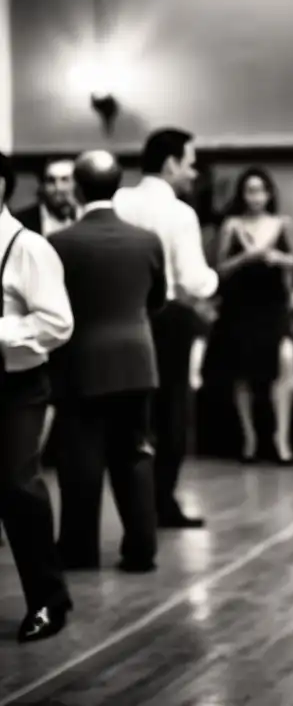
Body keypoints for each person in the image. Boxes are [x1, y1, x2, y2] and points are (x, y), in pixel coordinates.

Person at [49, 151, 165, 573]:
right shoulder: (146, 240)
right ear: (117, 186)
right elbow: (158, 299)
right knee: (135, 455)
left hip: (81, 364)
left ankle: (79, 551)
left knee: (81, 460)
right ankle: (141, 549)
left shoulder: (59, 243)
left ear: (77, 189)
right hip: (137, 361)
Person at [113, 128, 219, 528]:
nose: (193, 174)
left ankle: (134, 508)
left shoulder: (118, 201)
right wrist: (214, 281)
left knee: (130, 418)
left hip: (121, 315)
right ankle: (162, 503)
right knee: (171, 413)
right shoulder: (179, 213)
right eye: (190, 164)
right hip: (167, 317)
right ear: (172, 163)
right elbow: (194, 280)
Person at [0, 151, 74, 642]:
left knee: (17, 486)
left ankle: (48, 600)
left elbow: (57, 323)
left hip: (17, 386)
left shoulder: (28, 248)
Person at [209, 167, 293, 463]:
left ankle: (282, 439)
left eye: (261, 190)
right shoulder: (231, 225)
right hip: (241, 306)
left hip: (274, 305)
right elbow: (219, 270)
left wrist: (277, 258)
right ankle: (249, 440)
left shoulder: (283, 223)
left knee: (285, 363)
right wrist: (244, 258)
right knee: (242, 375)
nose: (256, 197)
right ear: (242, 194)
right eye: (250, 190)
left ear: (269, 193)